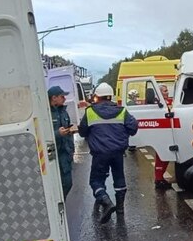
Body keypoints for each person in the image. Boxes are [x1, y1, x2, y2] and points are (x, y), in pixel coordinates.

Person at [78, 82, 138, 223]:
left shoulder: (90, 111)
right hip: (118, 152)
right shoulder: (122, 111)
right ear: (110, 96)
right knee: (119, 178)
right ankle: (120, 209)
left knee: (96, 181)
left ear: (97, 97)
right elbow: (133, 128)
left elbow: (82, 132)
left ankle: (106, 201)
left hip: (100, 153)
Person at [48, 86, 76, 198]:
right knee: (54, 186)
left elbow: (66, 130)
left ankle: (60, 205)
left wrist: (70, 132)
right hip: (53, 155)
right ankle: (56, 209)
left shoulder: (63, 112)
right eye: (62, 96)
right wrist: (57, 134)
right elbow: (42, 135)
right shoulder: (46, 113)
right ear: (54, 98)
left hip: (65, 154)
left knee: (68, 184)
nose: (64, 99)